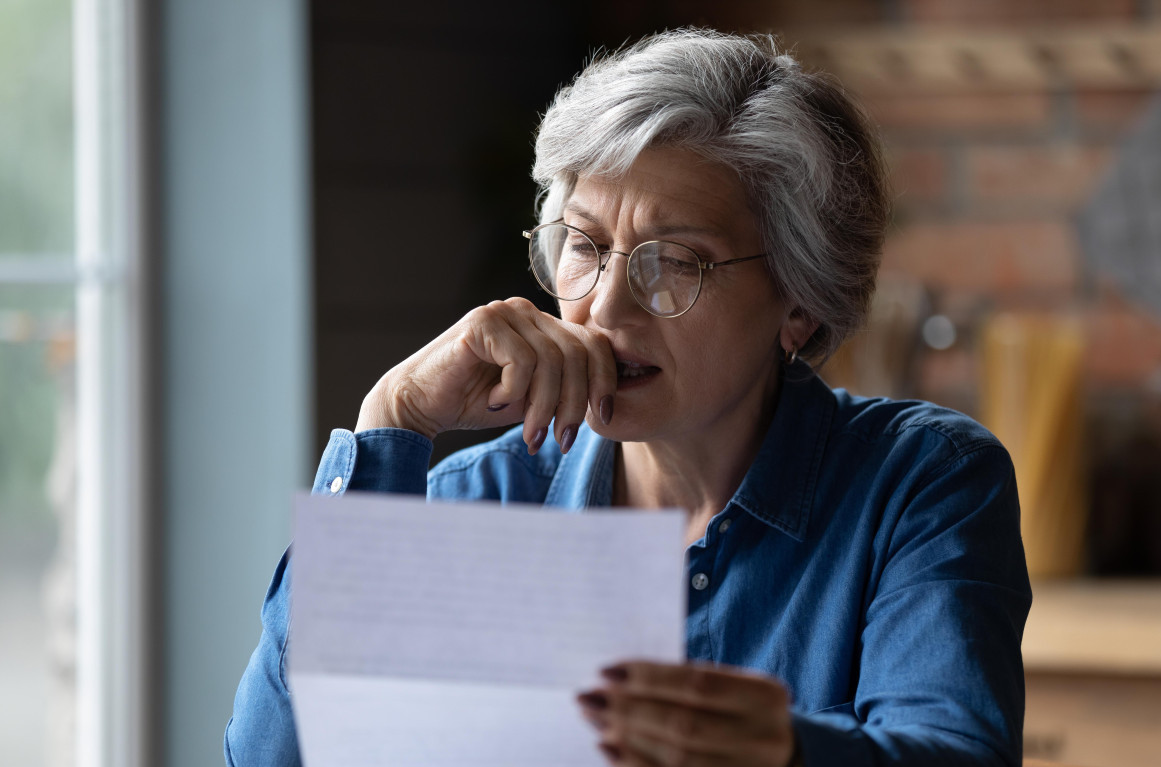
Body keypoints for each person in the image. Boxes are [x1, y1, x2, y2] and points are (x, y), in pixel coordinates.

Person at [225, 28, 1031, 767]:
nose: (605, 309)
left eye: (674, 261)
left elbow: (954, 752)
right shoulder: (480, 503)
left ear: (799, 299)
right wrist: (392, 416)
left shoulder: (921, 482)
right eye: (583, 246)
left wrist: (786, 752)